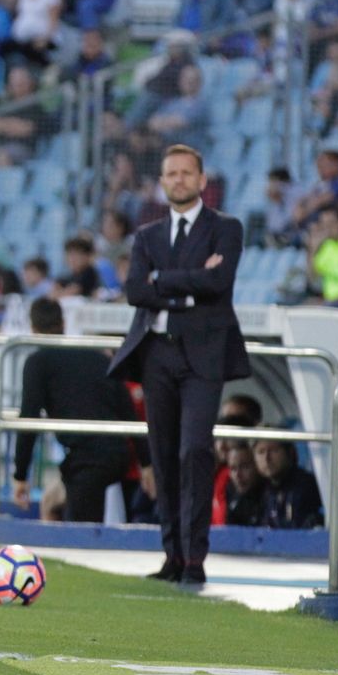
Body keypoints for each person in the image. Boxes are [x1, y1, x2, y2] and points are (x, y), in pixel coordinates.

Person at [109, 144, 248, 585]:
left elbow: (218, 281)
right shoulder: (146, 236)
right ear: (162, 181)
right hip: (156, 354)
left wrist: (163, 280)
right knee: (164, 455)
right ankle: (171, 554)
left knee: (195, 450)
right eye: (172, 173)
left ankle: (194, 558)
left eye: (187, 173)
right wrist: (190, 286)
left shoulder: (226, 228)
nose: (180, 180)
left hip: (204, 356)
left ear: (202, 181)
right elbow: (135, 291)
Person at [11, 297, 150, 522]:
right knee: (52, 501)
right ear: (63, 323)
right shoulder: (95, 356)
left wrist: (20, 475)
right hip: (117, 455)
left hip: (88, 459)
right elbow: (128, 410)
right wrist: (147, 462)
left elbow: (29, 418)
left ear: (33, 328)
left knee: (81, 530)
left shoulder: (38, 362)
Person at [252, 439, 324, 529]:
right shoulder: (257, 491)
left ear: (289, 452)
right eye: (261, 452)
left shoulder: (307, 486)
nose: (267, 458)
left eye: (274, 450)